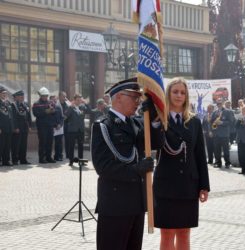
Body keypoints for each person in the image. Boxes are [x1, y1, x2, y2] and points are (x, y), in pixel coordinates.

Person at [91, 78, 164, 250]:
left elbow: (157, 143)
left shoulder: (139, 122)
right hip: (115, 203)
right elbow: (103, 166)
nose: (138, 102)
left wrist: (154, 118)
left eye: (139, 98)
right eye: (134, 97)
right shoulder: (103, 126)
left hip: (137, 201)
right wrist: (135, 170)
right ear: (117, 98)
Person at [153, 77, 210, 250]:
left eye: (183, 92)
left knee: (185, 233)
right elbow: (153, 144)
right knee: (167, 234)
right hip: (166, 186)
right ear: (168, 94)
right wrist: (153, 121)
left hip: (188, 186)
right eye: (175, 91)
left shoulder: (194, 122)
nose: (179, 95)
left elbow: (200, 155)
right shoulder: (159, 120)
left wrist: (204, 185)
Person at [32, 87, 57, 164]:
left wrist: (52, 110)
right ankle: (41, 158)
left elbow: (55, 112)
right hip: (41, 126)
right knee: (43, 142)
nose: (45, 97)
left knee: (49, 142)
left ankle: (48, 157)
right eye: (43, 95)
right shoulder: (36, 104)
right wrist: (46, 111)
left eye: (46, 95)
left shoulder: (50, 103)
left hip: (50, 125)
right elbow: (36, 114)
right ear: (40, 95)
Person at [65, 94, 90, 166]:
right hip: (72, 130)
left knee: (81, 146)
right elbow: (66, 116)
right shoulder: (70, 106)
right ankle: (71, 161)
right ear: (74, 100)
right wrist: (70, 107)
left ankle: (81, 160)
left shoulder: (82, 107)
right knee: (71, 146)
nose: (79, 101)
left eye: (80, 100)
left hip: (80, 130)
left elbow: (89, 111)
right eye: (78, 100)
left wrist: (86, 103)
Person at [11, 90, 32, 165]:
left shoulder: (25, 104)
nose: (22, 97)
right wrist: (15, 127)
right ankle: (15, 160)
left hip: (25, 127)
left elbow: (28, 116)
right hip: (18, 128)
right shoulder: (13, 105)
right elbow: (13, 117)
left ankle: (23, 159)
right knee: (16, 145)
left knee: (23, 144)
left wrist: (30, 125)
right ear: (16, 97)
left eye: (23, 96)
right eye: (20, 96)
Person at [210, 98, 232, 168]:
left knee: (226, 150)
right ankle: (218, 163)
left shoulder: (228, 111)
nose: (218, 104)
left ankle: (227, 163)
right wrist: (211, 130)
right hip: (216, 134)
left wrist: (222, 122)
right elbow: (211, 122)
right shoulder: (214, 112)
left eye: (220, 103)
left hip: (224, 134)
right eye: (217, 103)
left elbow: (231, 122)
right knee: (217, 150)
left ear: (223, 103)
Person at [0, 87, 14, 166]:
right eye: (2, 93)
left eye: (5, 93)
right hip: (1, 128)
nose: (4, 95)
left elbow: (11, 116)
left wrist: (12, 127)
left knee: (7, 145)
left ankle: (6, 160)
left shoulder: (8, 103)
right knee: (1, 145)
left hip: (9, 128)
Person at [50, 95, 64, 162]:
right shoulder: (49, 107)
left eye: (55, 99)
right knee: (50, 143)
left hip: (59, 127)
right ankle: (50, 157)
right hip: (53, 127)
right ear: (50, 100)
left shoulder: (59, 107)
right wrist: (55, 125)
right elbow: (50, 118)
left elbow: (62, 117)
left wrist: (60, 124)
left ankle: (59, 156)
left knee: (59, 143)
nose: (54, 101)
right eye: (53, 99)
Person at [58, 91, 69, 159]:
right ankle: (60, 155)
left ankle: (68, 155)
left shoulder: (67, 104)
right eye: (63, 96)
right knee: (59, 141)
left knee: (67, 141)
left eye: (65, 96)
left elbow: (69, 113)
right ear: (59, 96)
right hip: (59, 125)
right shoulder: (57, 104)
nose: (64, 98)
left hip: (66, 125)